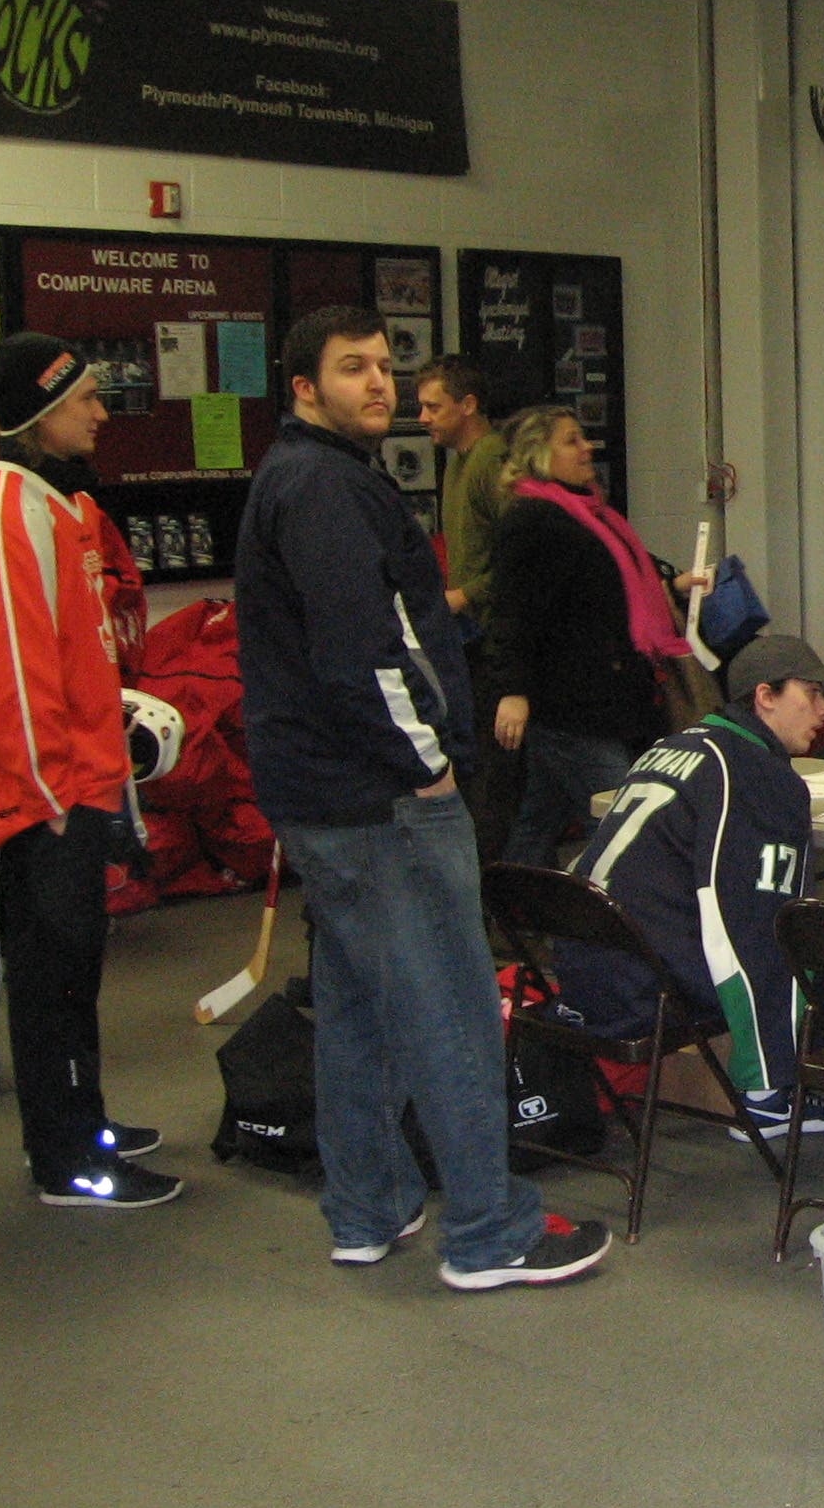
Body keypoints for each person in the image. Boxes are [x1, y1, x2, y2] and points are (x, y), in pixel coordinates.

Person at [237, 306, 608, 1288]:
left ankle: (368, 1208)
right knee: (450, 1006)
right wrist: (428, 764)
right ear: (304, 388)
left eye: (383, 366)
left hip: (330, 795)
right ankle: (489, 1231)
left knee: (358, 1007)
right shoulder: (322, 489)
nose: (379, 384)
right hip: (382, 799)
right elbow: (361, 651)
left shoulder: (311, 477)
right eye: (351, 368)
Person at [554, 635, 824, 1185]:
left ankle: (770, 1106)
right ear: (765, 697)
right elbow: (751, 929)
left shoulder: (680, 743)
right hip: (646, 994)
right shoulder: (756, 775)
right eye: (812, 693)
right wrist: (762, 1060)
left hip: (586, 980)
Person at [0, 334, 173, 1207]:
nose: (101, 412)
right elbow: (8, 676)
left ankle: (84, 1122)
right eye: (84, 398)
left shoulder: (54, 502)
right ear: (42, 412)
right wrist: (52, 797)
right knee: (51, 981)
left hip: (78, 788)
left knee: (74, 976)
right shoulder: (8, 510)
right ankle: (69, 1159)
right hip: (47, 801)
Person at [486, 405, 677, 866]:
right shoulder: (534, 520)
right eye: (571, 440)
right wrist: (513, 690)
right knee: (622, 821)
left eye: (584, 437)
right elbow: (513, 611)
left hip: (602, 695)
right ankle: (612, 908)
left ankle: (510, 895)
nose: (587, 448)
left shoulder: (593, 514)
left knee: (539, 818)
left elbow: (614, 591)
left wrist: (674, 587)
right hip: (571, 703)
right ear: (539, 454)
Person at [420, 354, 519, 858]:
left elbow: (522, 556)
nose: (423, 418)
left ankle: (497, 876)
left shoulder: (492, 461)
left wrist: (467, 594)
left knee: (495, 772)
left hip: (497, 638)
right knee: (476, 762)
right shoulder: (458, 461)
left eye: (434, 407)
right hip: (471, 636)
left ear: (468, 405)